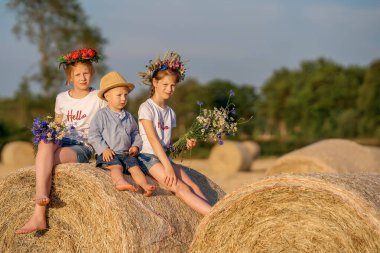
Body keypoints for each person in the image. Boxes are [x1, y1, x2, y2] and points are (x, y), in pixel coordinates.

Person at [16, 48, 105, 234]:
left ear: (92, 74)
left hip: (81, 146)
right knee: (45, 142)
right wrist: (47, 135)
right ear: (70, 77)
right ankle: (40, 197)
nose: (82, 78)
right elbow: (57, 125)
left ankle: (38, 213)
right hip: (61, 139)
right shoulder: (61, 98)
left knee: (47, 164)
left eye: (86, 73)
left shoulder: (98, 98)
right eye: (78, 74)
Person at [137, 51, 211, 215]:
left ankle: (216, 213)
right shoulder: (146, 108)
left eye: (173, 86)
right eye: (165, 85)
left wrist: (185, 143)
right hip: (148, 157)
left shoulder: (170, 112)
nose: (169, 89)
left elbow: (166, 142)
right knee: (180, 187)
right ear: (155, 83)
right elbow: (154, 141)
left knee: (194, 186)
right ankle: (214, 217)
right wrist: (168, 167)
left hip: (164, 157)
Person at [88, 71, 156, 196]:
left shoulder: (129, 116)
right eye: (119, 95)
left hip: (126, 154)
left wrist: (136, 146)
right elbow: (93, 134)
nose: (123, 98)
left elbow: (135, 133)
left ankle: (145, 186)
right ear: (107, 96)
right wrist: (104, 149)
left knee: (135, 169)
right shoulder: (101, 115)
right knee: (116, 167)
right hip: (110, 154)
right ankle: (120, 182)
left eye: (125, 95)